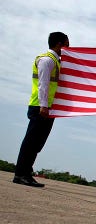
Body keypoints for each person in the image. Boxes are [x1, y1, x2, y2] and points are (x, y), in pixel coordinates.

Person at [14, 32, 69, 187]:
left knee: (38, 143)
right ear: (59, 44)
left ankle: (26, 172)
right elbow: (43, 85)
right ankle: (21, 174)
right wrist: (44, 106)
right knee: (31, 142)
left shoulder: (56, 61)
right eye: (66, 44)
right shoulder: (47, 60)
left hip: (48, 108)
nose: (68, 48)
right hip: (40, 107)